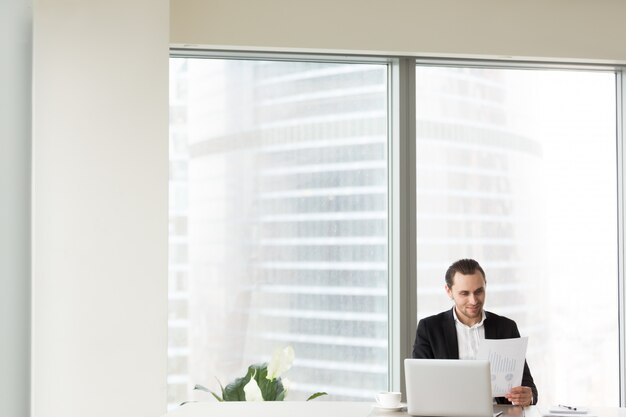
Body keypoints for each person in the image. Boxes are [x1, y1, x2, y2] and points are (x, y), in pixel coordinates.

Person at [412, 258, 538, 406]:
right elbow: (420, 387)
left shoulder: (506, 327)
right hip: (448, 413)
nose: (473, 301)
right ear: (449, 291)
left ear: (485, 286)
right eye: (464, 293)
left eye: (479, 292)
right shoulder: (429, 328)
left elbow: (528, 386)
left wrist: (528, 396)